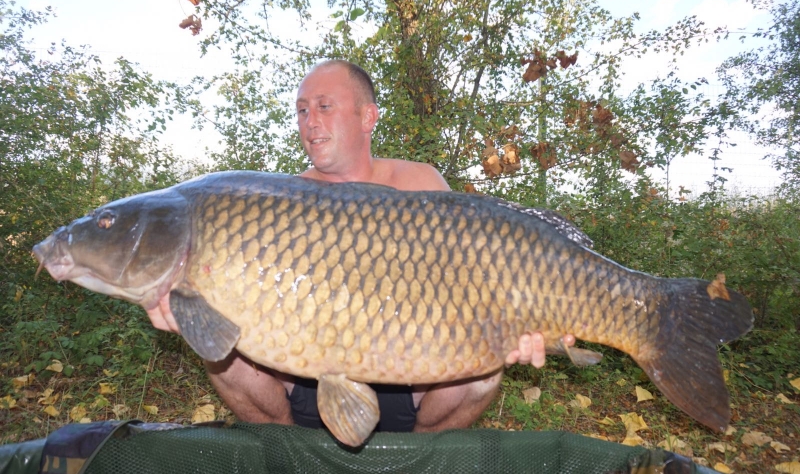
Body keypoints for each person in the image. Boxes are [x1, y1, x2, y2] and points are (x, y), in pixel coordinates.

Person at [146, 60, 576, 434]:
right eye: (301, 110)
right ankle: (293, 460)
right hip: (308, 382)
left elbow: (477, 279)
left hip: (412, 380)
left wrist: (518, 324)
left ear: (368, 117)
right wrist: (192, 311)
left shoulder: (420, 184)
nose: (309, 120)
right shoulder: (283, 204)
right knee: (223, 359)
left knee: (485, 374)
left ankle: (412, 468)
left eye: (323, 106)